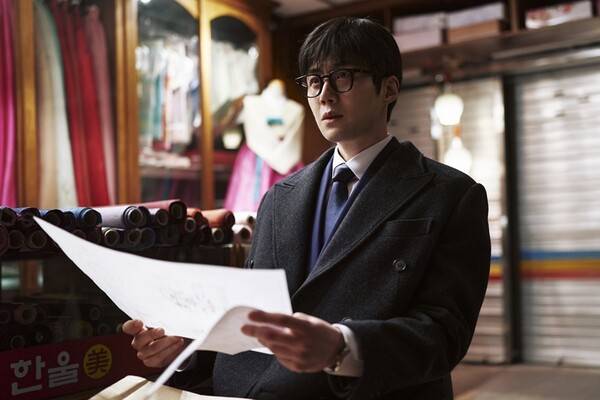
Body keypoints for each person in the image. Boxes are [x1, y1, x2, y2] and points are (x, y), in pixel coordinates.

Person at [123, 16, 491, 399]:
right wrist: (185, 350)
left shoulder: (450, 194)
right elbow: (252, 322)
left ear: (389, 88)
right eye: (314, 81)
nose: (325, 95)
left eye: (343, 77)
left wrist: (342, 348)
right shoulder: (279, 197)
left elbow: (444, 332)